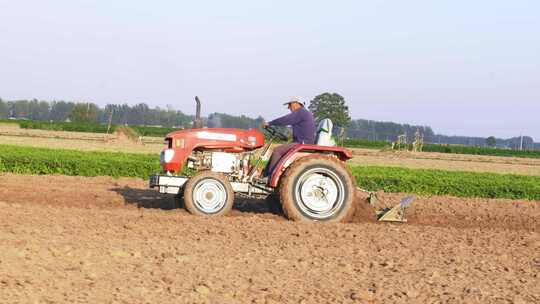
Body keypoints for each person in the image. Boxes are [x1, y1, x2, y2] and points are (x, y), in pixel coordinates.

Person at [260, 97, 315, 182]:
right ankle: (264, 174)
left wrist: (270, 123)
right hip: (301, 142)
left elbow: (285, 120)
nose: (289, 107)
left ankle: (270, 176)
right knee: (280, 150)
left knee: (277, 150)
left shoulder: (301, 112)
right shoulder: (303, 113)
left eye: (290, 105)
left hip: (302, 143)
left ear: (296, 104)